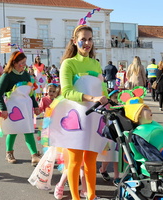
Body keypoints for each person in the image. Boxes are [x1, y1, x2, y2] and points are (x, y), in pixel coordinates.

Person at [58, 25, 108, 200]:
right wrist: (91, 98)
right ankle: (75, 198)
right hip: (75, 118)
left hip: (95, 118)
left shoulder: (95, 63)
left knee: (91, 161)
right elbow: (66, 91)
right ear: (74, 41)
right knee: (75, 161)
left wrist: (108, 100)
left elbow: (102, 88)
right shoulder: (68, 63)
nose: (87, 43)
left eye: (90, 39)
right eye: (83, 39)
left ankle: (91, 196)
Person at [0, 51, 41, 166]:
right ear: (14, 63)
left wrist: (35, 106)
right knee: (12, 131)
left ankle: (34, 155)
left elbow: (30, 92)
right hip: (12, 107)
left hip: (25, 107)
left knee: (28, 130)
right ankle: (9, 153)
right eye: (22, 63)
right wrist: (3, 109)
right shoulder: (7, 75)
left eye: (25, 62)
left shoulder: (26, 75)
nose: (24, 65)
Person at [97, 89, 120, 186]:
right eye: (115, 100)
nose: (117, 103)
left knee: (116, 158)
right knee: (106, 157)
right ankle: (103, 169)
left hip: (117, 138)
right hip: (107, 138)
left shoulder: (120, 111)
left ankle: (116, 177)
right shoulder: (104, 112)